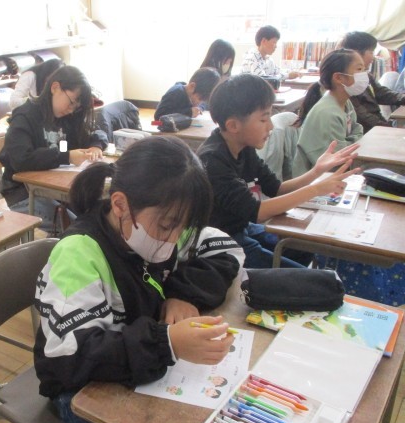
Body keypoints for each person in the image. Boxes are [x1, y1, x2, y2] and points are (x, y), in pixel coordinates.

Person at [34, 135, 245, 423]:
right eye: (168, 226)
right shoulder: (78, 255)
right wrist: (167, 343)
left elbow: (227, 249)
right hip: (82, 393)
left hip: (138, 371)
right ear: (120, 205)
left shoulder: (165, 221)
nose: (175, 239)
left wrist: (183, 294)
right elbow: (71, 356)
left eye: (183, 227)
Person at [197, 74, 360, 269]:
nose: (271, 126)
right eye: (263, 119)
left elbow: (276, 189)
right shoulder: (212, 160)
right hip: (220, 244)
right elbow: (257, 212)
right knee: (309, 280)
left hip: (243, 229)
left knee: (305, 246)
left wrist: (316, 171)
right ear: (233, 125)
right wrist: (316, 189)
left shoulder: (244, 147)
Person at [0, 65, 108, 228]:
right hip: (23, 193)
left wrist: (96, 146)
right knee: (77, 227)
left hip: (56, 189)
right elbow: (21, 159)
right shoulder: (25, 116)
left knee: (98, 215)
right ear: (55, 87)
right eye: (71, 102)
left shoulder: (66, 116)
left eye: (76, 107)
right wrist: (67, 156)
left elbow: (96, 132)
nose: (71, 110)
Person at [293, 48, 365, 177]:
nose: (364, 75)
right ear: (338, 77)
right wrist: (354, 142)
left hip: (333, 175)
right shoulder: (327, 113)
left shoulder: (345, 102)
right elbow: (338, 159)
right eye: (359, 69)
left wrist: (351, 142)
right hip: (316, 181)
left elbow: (358, 129)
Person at [339, 31, 405, 133]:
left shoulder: (365, 75)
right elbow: (362, 116)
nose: (373, 57)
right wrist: (389, 127)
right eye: (371, 52)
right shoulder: (345, 81)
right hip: (366, 132)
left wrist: (403, 98)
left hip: (377, 126)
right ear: (356, 53)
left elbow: (381, 93)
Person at [154, 67, 220, 120]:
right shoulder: (176, 93)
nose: (200, 102)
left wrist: (199, 108)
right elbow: (158, 116)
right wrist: (189, 112)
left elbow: (204, 104)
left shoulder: (193, 94)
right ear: (192, 86)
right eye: (200, 99)